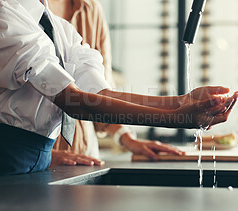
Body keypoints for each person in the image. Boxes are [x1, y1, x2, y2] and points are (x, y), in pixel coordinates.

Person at [0, 0, 238, 182]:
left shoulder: (58, 27)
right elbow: (75, 102)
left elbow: (102, 92)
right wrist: (178, 117)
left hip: (39, 165)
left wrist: (181, 102)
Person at [48, 0, 186, 166]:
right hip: (32, 161)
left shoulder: (91, 9)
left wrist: (127, 139)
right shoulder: (19, 8)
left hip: (84, 155)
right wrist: (40, 155)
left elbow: (101, 93)